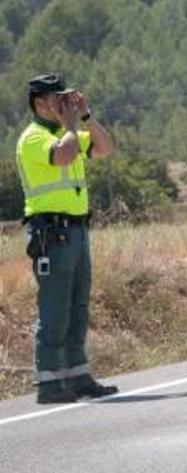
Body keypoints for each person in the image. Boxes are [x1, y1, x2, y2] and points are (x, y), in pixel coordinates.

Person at [15, 74, 116, 404]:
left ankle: (77, 375)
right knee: (55, 308)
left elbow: (105, 148)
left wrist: (85, 115)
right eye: (57, 99)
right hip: (50, 232)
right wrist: (71, 124)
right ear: (40, 103)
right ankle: (48, 382)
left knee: (78, 305)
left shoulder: (67, 132)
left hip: (76, 229)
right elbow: (63, 156)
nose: (63, 104)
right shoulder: (33, 138)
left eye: (65, 98)